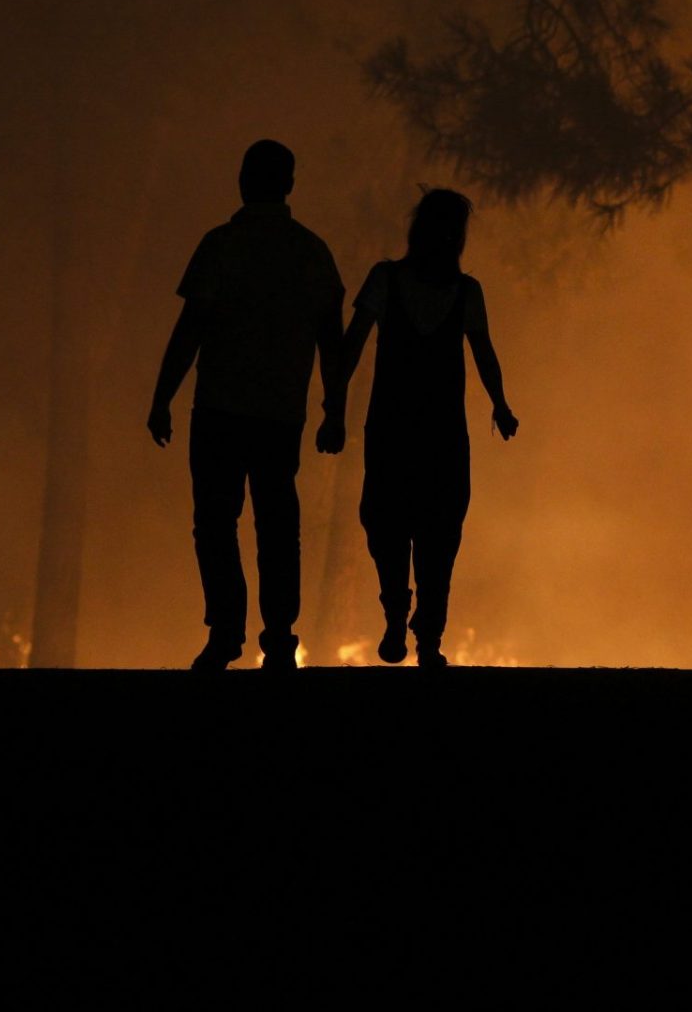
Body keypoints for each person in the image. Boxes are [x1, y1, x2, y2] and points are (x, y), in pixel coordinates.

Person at [149, 139, 345, 672]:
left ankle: (225, 632)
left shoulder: (221, 245)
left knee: (216, 522)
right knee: (277, 524)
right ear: (290, 185)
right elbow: (332, 340)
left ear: (243, 181)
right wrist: (334, 410)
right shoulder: (311, 252)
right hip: (281, 412)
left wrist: (163, 397)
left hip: (219, 407)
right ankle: (278, 637)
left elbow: (190, 330)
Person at [320, 188, 517, 669]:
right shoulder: (456, 291)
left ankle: (408, 621)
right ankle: (422, 631)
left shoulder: (390, 281)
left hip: (397, 429)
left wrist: (335, 411)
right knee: (435, 533)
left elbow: (350, 350)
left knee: (398, 527)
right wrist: (499, 404)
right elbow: (483, 352)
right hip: (436, 433)